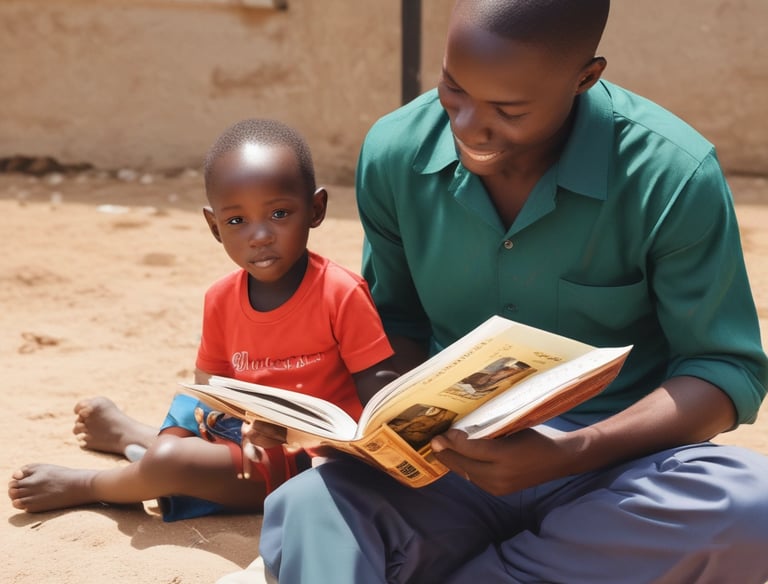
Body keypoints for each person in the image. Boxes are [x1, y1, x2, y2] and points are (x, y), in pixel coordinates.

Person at [257, 1, 768, 582]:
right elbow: (394, 323)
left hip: (614, 473)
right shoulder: (396, 152)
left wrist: (570, 455)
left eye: (508, 108)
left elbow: (724, 369)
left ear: (584, 78)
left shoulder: (670, 175)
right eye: (454, 87)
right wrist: (376, 429)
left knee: (751, 510)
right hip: (448, 472)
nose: (468, 125)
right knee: (312, 507)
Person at [8, 118, 394, 520]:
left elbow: (377, 387)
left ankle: (92, 484)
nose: (259, 235)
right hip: (243, 439)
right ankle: (137, 440)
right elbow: (208, 388)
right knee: (177, 435)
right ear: (214, 227)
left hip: (310, 460)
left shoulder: (340, 291)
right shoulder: (221, 297)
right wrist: (218, 421)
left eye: (279, 213)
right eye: (236, 221)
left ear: (316, 210)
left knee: (170, 462)